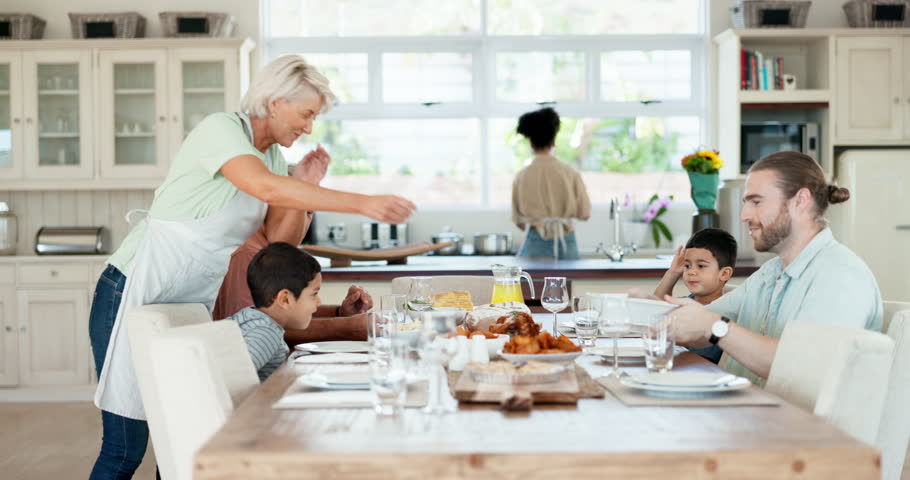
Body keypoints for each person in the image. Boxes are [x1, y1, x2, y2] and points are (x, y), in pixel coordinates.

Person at [88, 55, 416, 479]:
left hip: (186, 301)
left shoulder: (274, 160)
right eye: (306, 114)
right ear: (275, 101)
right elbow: (262, 186)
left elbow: (280, 242)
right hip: (132, 289)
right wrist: (363, 203)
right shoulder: (220, 130)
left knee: (182, 436)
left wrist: (308, 186)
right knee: (125, 447)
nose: (308, 127)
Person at [662, 151, 883, 385]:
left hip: (792, 421)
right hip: (748, 411)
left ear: (800, 201)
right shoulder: (770, 273)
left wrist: (715, 327)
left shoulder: (839, 276)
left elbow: (802, 367)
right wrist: (660, 314)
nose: (744, 215)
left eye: (756, 202)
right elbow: (700, 328)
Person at [213, 143, 372, 345]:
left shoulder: (274, 254)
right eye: (294, 210)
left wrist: (340, 313)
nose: (303, 224)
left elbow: (284, 313)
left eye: (309, 212)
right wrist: (346, 327)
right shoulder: (247, 254)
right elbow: (251, 332)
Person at [224, 243, 323, 382]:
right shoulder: (265, 333)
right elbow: (233, 377)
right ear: (285, 299)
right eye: (314, 293)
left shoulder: (249, 317)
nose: (319, 302)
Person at [512, 107, 591, 260]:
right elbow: (585, 214)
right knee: (568, 284)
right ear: (554, 140)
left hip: (534, 245)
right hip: (566, 243)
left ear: (531, 142)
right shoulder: (570, 172)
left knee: (532, 284)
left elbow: (520, 223)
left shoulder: (521, 176)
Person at [652, 228, 738, 363]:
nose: (691, 271)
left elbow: (699, 362)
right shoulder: (686, 302)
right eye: (687, 265)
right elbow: (654, 310)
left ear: (724, 274)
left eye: (701, 266)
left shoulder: (720, 315)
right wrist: (672, 273)